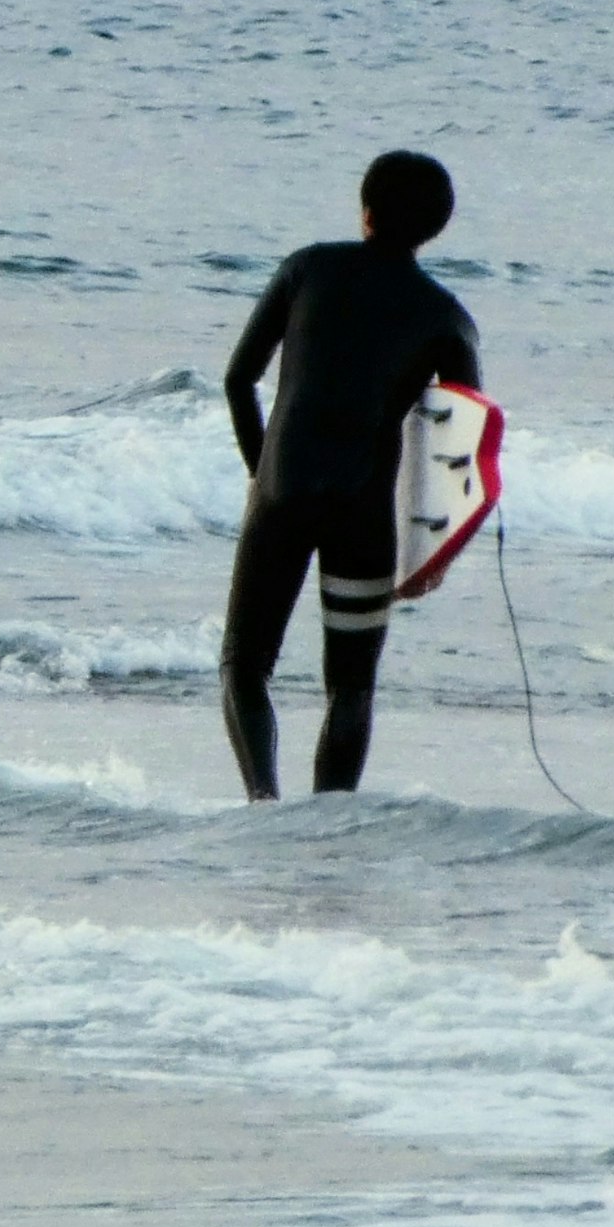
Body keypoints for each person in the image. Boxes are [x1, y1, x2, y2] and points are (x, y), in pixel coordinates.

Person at [217, 150, 481, 799]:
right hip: (364, 513)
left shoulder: (307, 270)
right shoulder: (446, 315)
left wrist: (263, 475)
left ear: (365, 208)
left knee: (245, 668)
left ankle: (263, 804)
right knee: (352, 688)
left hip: (283, 493)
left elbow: (238, 380)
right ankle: (329, 823)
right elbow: (462, 441)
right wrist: (434, 548)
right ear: (437, 227)